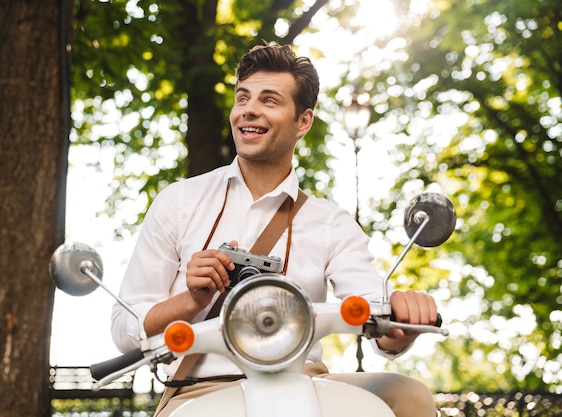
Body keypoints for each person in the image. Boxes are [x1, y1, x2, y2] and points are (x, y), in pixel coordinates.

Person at [111, 42, 439, 417]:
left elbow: (375, 312)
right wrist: (192, 300)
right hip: (199, 393)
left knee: (408, 395)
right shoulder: (180, 201)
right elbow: (124, 329)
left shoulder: (331, 222)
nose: (248, 109)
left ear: (303, 121)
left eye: (269, 100)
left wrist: (402, 319)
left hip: (305, 386)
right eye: (243, 98)